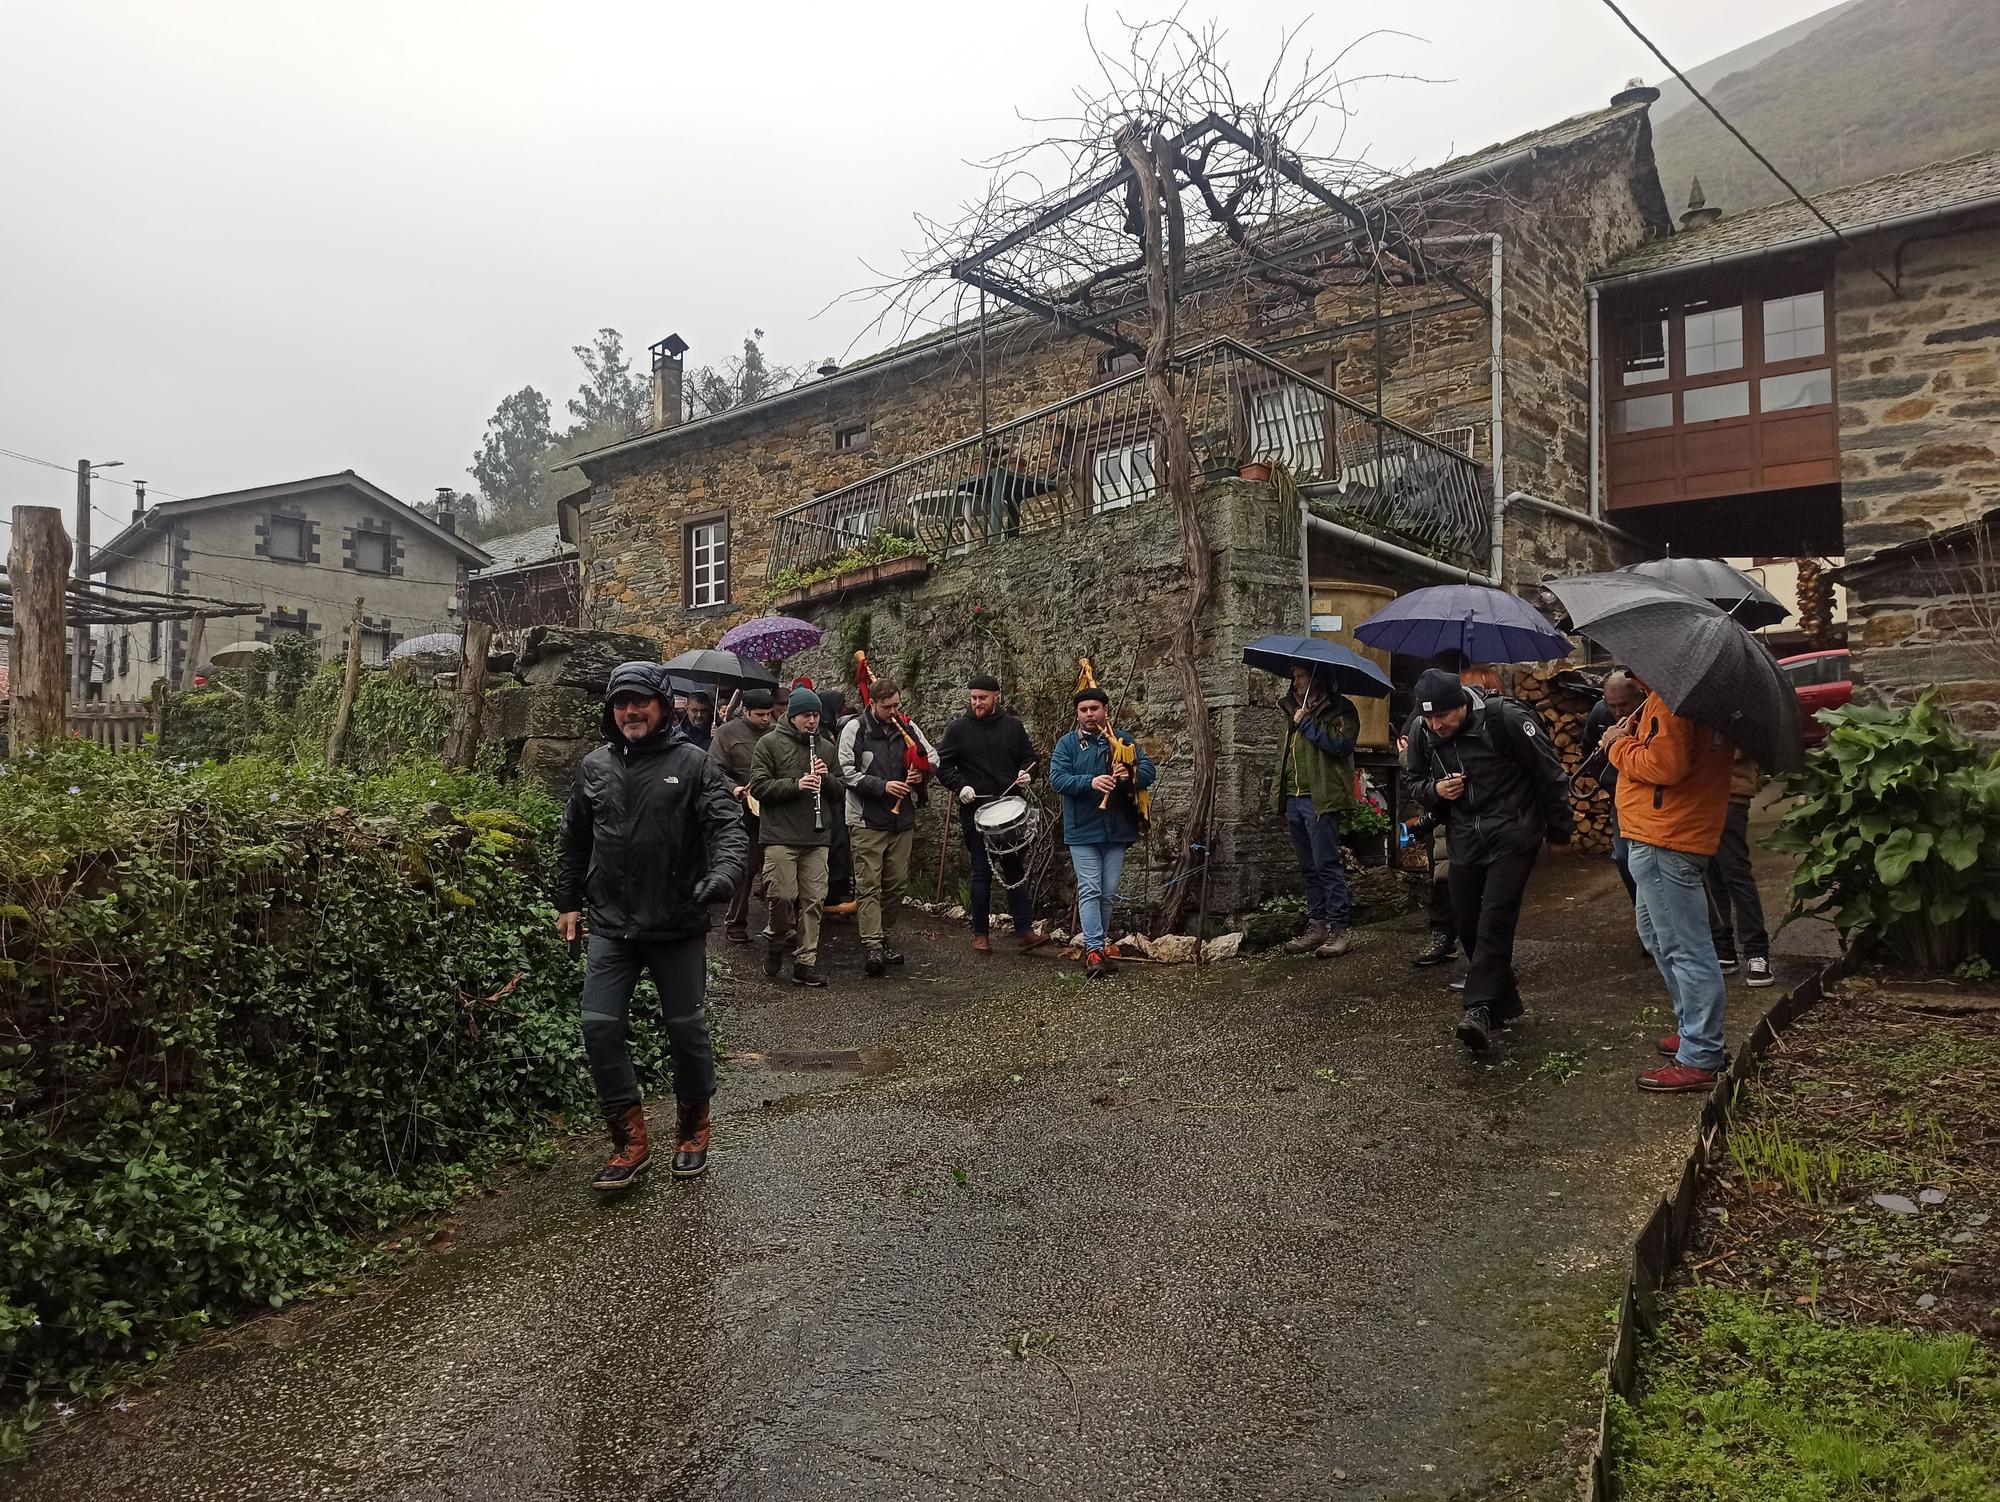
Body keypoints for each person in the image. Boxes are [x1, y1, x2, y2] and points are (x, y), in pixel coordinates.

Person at [554, 662, 748, 1191]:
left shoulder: (693, 764)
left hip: (676, 922)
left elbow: (728, 828)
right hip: (612, 924)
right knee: (598, 1025)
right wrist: (568, 902)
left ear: (662, 706)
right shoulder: (594, 766)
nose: (630, 711)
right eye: (621, 703)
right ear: (610, 711)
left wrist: (723, 876)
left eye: (640, 702)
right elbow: (574, 839)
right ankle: (629, 1140)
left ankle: (692, 1128)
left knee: (684, 1030)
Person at [1408, 667, 1573, 1053]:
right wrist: (1436, 790)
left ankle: (1478, 1008)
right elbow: (1413, 781)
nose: (1436, 724)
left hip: (1514, 832)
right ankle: (1505, 1001)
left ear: (1462, 705)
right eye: (1429, 717)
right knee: (1465, 920)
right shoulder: (1423, 732)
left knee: (1496, 915)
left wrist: (1561, 831)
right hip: (1465, 836)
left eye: (1443, 717)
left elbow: (1549, 774)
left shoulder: (1505, 719)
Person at [1601, 677, 1737, 1092]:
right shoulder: (1704, 696)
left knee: (1685, 946)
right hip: (1670, 832)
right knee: (1657, 936)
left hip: (1665, 837)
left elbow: (1666, 766)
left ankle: (1701, 1054)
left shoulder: (1672, 700)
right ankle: (1694, 1028)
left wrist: (1615, 744)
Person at [1049, 686, 1158, 978]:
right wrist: (1091, 782)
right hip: (1082, 831)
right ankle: (1095, 949)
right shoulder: (1067, 745)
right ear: (1077, 714)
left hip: (1117, 830)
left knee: (1107, 894)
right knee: (1090, 888)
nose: (1089, 715)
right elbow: (1057, 779)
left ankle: (1098, 944)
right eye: (1084, 710)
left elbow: (1149, 771)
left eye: (1094, 709)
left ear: (1105, 711)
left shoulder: (1123, 741)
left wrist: (1129, 775)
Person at [837, 675, 940, 977]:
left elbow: (931, 757)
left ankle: (884, 936)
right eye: (887, 707)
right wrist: (883, 786)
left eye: (897, 705)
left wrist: (922, 774)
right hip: (867, 819)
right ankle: (873, 945)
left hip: (901, 819)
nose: (894, 712)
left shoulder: (907, 726)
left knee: (896, 884)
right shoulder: (855, 728)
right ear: (872, 704)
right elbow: (845, 772)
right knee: (869, 884)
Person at [750, 687, 844, 988]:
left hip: (816, 836)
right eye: (806, 715)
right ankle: (776, 939)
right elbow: (759, 787)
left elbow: (840, 792)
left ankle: (806, 962)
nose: (812, 721)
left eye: (816, 715)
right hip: (780, 834)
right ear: (792, 715)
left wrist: (826, 778)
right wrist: (796, 784)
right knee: (782, 896)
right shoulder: (769, 744)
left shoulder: (826, 747)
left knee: (814, 900)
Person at [1275, 662, 1361, 959]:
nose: (1295, 682)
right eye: (1294, 676)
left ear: (1317, 679)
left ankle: (1339, 929)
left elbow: (1342, 744)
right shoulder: (1290, 709)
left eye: (1300, 676)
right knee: (1308, 866)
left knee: (1326, 863)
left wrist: (1309, 722)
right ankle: (1318, 925)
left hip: (1320, 797)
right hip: (1295, 798)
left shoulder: (1341, 710)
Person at [708, 686, 777, 944]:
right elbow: (713, 768)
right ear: (745, 711)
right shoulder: (728, 733)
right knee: (745, 870)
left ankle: (782, 926)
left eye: (769, 714)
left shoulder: (777, 731)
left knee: (779, 870)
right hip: (742, 811)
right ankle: (736, 922)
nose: (766, 719)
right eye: (760, 714)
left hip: (775, 806)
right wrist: (734, 788)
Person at [1706, 749, 1773, 988]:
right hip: (1699, 795)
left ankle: (1757, 951)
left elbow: (1740, 747)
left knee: (1736, 872)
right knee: (1711, 873)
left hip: (1730, 794)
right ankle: (1723, 946)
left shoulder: (1738, 711)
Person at [1582, 668, 1645, 902]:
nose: (1618, 712)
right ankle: (1641, 908)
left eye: (1624, 705)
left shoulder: (1650, 714)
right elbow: (1588, 751)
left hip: (1651, 796)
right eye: (1612, 705)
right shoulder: (1600, 714)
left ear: (1639, 697)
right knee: (1622, 856)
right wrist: (1608, 781)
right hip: (1620, 797)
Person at [817, 688, 859, 917]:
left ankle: (836, 894)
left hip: (835, 796)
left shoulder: (831, 731)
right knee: (832, 846)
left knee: (839, 845)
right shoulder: (821, 736)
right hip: (825, 800)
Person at [674, 683, 714, 751]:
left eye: (704, 711)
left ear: (710, 710)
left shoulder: (719, 731)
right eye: (694, 710)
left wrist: (718, 740)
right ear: (687, 709)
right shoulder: (677, 733)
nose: (699, 715)